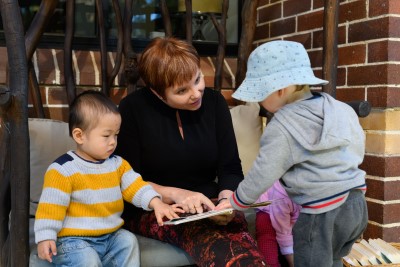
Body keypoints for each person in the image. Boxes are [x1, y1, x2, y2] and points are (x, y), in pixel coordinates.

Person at [115, 37, 266, 266]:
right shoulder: (132, 110)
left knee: (234, 228)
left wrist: (226, 202)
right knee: (210, 240)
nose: (196, 93)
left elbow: (230, 168)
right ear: (157, 92)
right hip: (155, 207)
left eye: (197, 79)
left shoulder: (215, 103)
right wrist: (177, 194)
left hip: (209, 203)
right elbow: (125, 179)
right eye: (182, 90)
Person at [218, 40, 368, 267]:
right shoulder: (341, 108)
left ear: (280, 89)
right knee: (334, 260)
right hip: (356, 205)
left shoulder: (282, 125)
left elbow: (263, 173)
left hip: (320, 213)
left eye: (260, 94)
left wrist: (235, 202)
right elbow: (357, 147)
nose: (258, 101)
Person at [34, 90, 182, 266]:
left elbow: (136, 187)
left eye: (116, 135)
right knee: (86, 259)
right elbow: (50, 208)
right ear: (79, 136)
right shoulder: (63, 169)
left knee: (127, 240)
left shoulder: (118, 165)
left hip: (110, 236)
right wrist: (45, 237)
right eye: (106, 136)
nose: (113, 141)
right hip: (73, 241)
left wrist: (156, 203)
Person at [256, 180, 301, 267]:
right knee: (265, 229)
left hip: (295, 207)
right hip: (268, 206)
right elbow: (283, 232)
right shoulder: (280, 194)